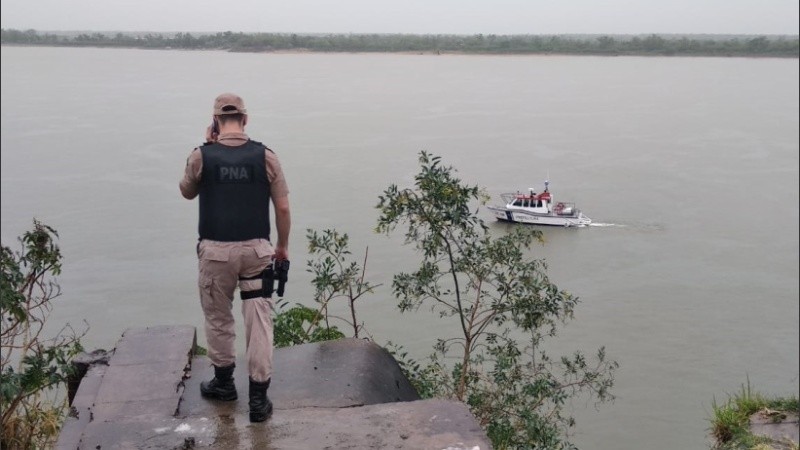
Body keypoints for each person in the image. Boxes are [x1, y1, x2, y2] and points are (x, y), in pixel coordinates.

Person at [179, 93, 291, 423]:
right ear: (245, 119)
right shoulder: (266, 157)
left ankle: (224, 384)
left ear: (215, 122)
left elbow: (187, 190)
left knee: (218, 317)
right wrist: (282, 247)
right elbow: (283, 207)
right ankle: (258, 399)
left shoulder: (202, 155)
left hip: (215, 253)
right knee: (258, 320)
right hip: (257, 251)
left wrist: (206, 145)